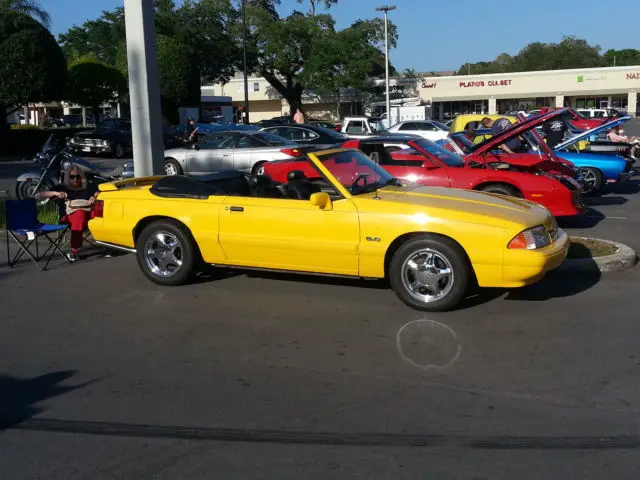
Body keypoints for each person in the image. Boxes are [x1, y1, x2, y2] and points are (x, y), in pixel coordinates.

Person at [38, 166, 98, 262]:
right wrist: (56, 193)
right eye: (72, 177)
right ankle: (73, 251)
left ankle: (110, 243)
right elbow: (40, 194)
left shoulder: (88, 187)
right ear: (67, 177)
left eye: (78, 176)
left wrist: (95, 196)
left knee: (102, 213)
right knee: (80, 214)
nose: (75, 179)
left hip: (88, 212)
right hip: (68, 216)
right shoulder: (62, 187)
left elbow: (99, 191)